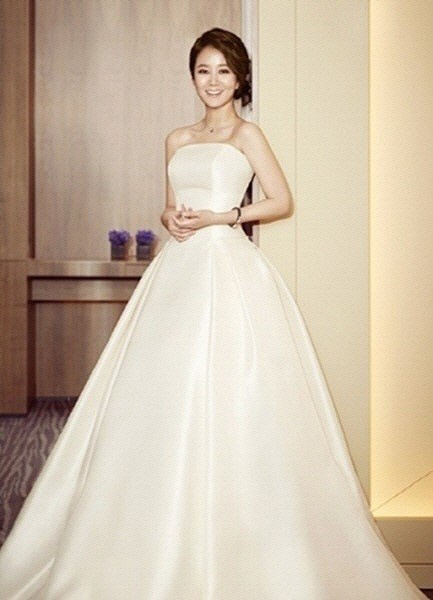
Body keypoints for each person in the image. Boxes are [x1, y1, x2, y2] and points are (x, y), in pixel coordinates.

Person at [0, 27, 427, 600]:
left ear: (239, 77)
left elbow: (282, 200)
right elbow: (170, 205)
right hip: (177, 270)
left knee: (233, 387)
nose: (213, 81)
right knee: (160, 391)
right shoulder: (177, 138)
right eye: (203, 70)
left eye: (223, 70)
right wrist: (171, 218)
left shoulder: (248, 134)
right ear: (193, 77)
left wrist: (223, 217)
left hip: (227, 265)